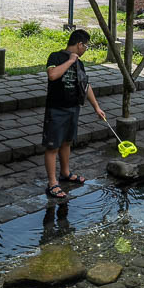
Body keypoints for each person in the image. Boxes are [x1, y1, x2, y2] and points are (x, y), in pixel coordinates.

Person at [43, 28, 105, 199]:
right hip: (56, 109)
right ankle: (52, 183)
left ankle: (65, 173)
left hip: (73, 109)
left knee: (66, 142)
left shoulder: (80, 64)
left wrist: (96, 107)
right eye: (86, 46)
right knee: (52, 146)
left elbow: (85, 85)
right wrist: (70, 61)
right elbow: (53, 75)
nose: (86, 50)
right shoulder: (55, 56)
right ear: (79, 44)